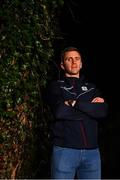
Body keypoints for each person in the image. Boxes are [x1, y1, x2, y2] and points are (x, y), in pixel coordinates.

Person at [47, 46, 108, 179]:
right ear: (63, 65)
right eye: (69, 59)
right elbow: (60, 112)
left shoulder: (91, 88)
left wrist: (74, 103)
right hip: (65, 151)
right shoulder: (56, 86)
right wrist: (90, 109)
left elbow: (102, 111)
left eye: (77, 59)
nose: (74, 62)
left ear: (81, 63)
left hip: (92, 153)